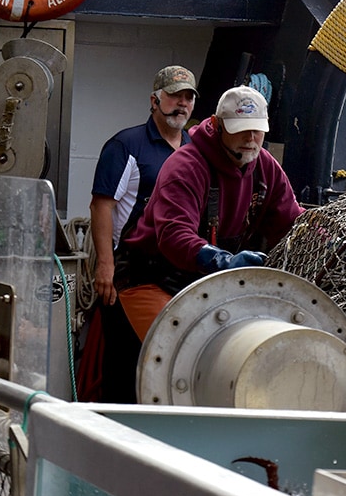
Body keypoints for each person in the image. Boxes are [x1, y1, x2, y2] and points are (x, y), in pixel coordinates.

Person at [114, 85, 304, 342]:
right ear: (217, 124)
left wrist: (336, 244)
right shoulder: (185, 166)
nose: (250, 138)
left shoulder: (266, 166)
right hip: (150, 275)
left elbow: (293, 222)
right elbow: (174, 235)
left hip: (207, 280)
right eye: (240, 129)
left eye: (257, 129)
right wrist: (223, 261)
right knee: (180, 351)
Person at [86, 65, 197, 402]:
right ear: (154, 100)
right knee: (125, 360)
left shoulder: (195, 150)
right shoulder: (126, 145)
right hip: (129, 270)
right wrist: (105, 265)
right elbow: (101, 205)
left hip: (179, 270)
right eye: (174, 96)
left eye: (188, 97)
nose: (181, 104)